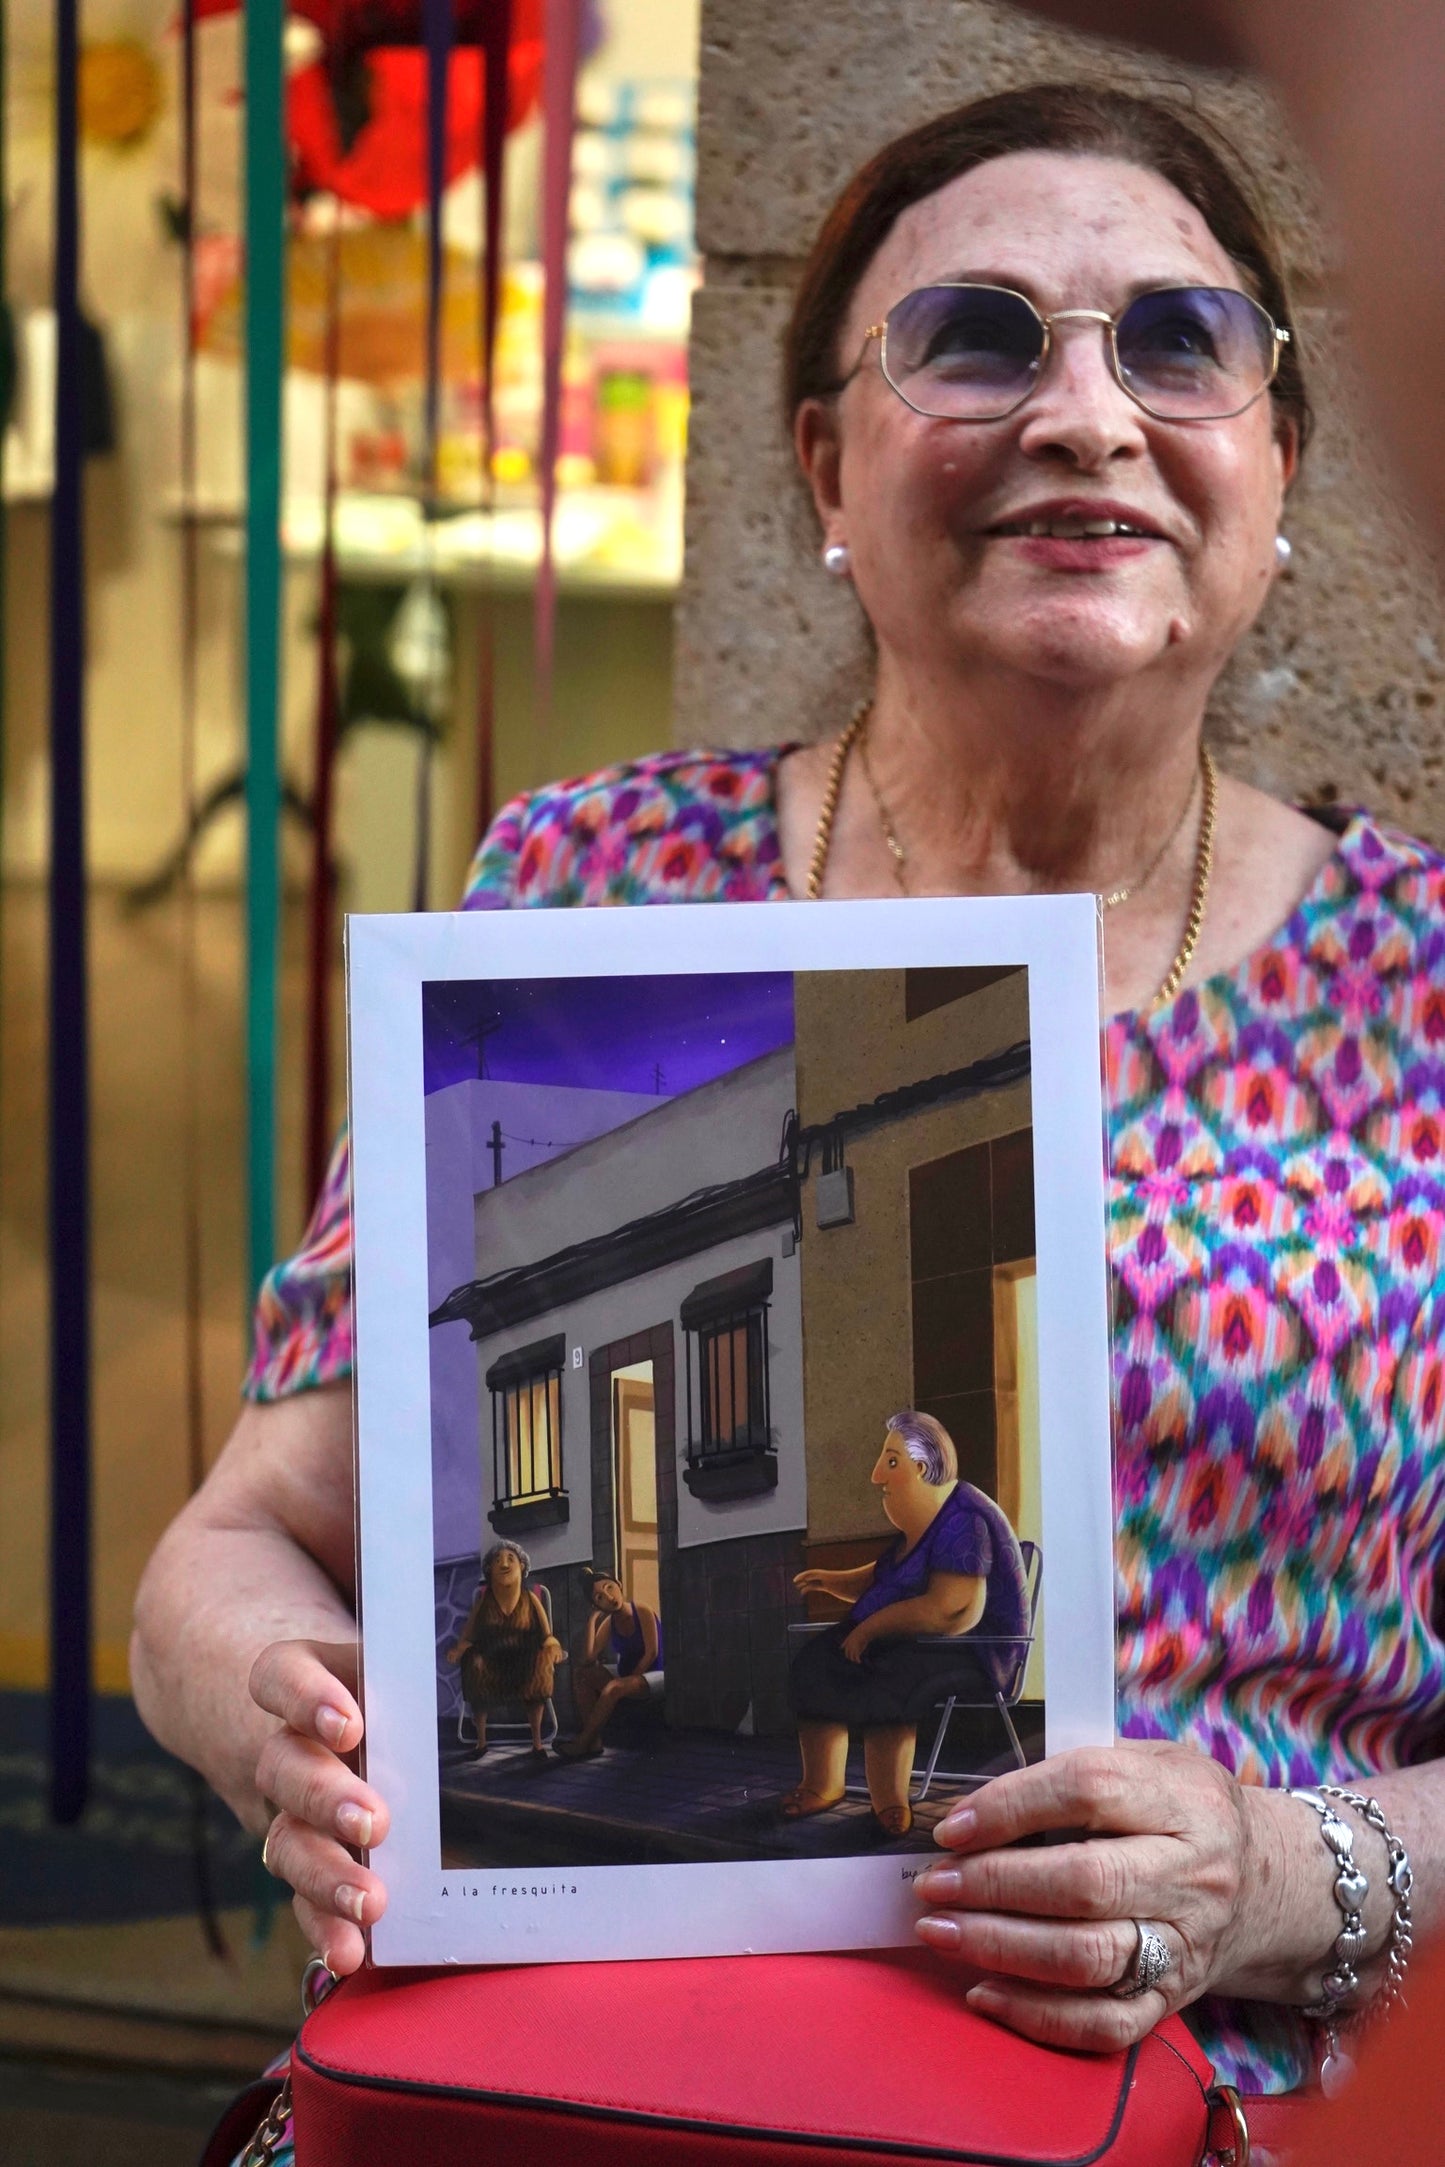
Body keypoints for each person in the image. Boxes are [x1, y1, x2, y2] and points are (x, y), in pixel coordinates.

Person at [131, 84, 1445, 2118]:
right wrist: (292, 1725)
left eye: (1175, 343)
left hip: (1198, 2120)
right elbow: (234, 1545)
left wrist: (1275, 1874)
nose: (1081, 412)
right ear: (827, 461)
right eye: (975, 338)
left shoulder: (1421, 986)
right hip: (607, 2108)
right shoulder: (584, 888)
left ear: (1272, 460)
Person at [787, 1412, 1028, 1837]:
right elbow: (886, 1578)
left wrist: (869, 1629)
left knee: (890, 1675)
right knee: (814, 1662)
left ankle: (890, 1801)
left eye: (891, 1461)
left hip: (973, 1648)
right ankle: (822, 1784)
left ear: (920, 1468)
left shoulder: (962, 1521)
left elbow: (952, 1610)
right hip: (919, 1638)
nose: (877, 1474)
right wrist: (831, 1581)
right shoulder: (926, 1522)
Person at [446, 1539, 563, 1758]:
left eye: (511, 1558)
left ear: (522, 1567)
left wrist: (553, 1646)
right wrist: (459, 1649)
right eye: (497, 1560)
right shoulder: (484, 1601)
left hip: (525, 1663)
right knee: (473, 1661)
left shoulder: (531, 1599)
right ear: (489, 1569)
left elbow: (547, 1636)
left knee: (542, 1660)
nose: (504, 1563)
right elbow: (468, 1636)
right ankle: (481, 1742)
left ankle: (537, 1744)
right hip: (491, 1663)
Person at [554, 1568, 663, 1761]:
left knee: (614, 1687)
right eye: (600, 1597)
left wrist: (630, 1679)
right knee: (581, 1673)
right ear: (597, 1605)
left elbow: (652, 1652)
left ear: (619, 1585)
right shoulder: (609, 1623)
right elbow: (588, 1658)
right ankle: (594, 1742)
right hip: (627, 1678)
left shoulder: (642, 1610)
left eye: (610, 1588)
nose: (609, 1597)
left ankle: (582, 1742)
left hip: (653, 1673)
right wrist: (592, 1621)